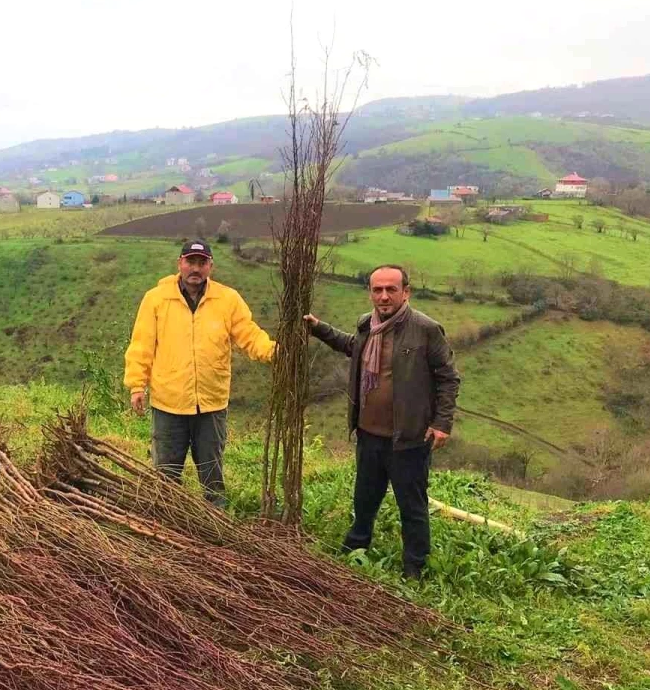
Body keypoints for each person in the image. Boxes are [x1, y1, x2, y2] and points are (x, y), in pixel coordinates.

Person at [304, 264, 460, 578]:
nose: (384, 296)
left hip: (408, 438)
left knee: (411, 505)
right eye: (378, 290)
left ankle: (415, 566)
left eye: (391, 289)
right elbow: (353, 347)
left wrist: (442, 423)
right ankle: (356, 547)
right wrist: (318, 327)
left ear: (406, 292)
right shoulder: (367, 326)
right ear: (371, 293)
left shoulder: (426, 329)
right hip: (369, 434)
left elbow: (448, 378)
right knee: (365, 497)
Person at [124, 239, 275, 506]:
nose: (196, 268)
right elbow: (141, 345)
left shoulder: (227, 299)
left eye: (202, 262)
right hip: (169, 403)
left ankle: (215, 526)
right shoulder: (156, 299)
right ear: (179, 264)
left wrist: (274, 352)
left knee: (212, 473)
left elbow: (249, 334)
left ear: (211, 266)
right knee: (167, 474)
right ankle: (168, 522)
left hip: (211, 402)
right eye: (190, 261)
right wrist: (137, 385)